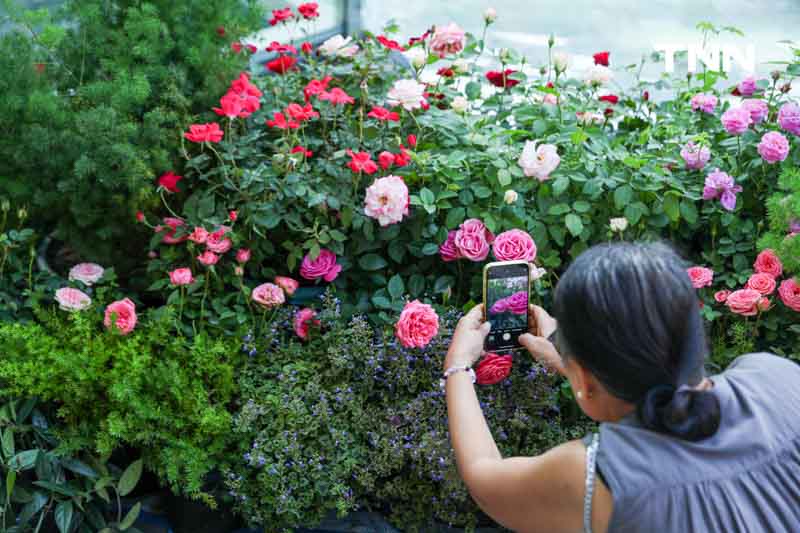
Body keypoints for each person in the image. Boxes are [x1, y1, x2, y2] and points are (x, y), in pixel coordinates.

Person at [443, 242, 800, 533]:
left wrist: (457, 365)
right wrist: (566, 354)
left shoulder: (592, 476)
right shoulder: (777, 376)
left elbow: (484, 479)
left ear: (582, 379)